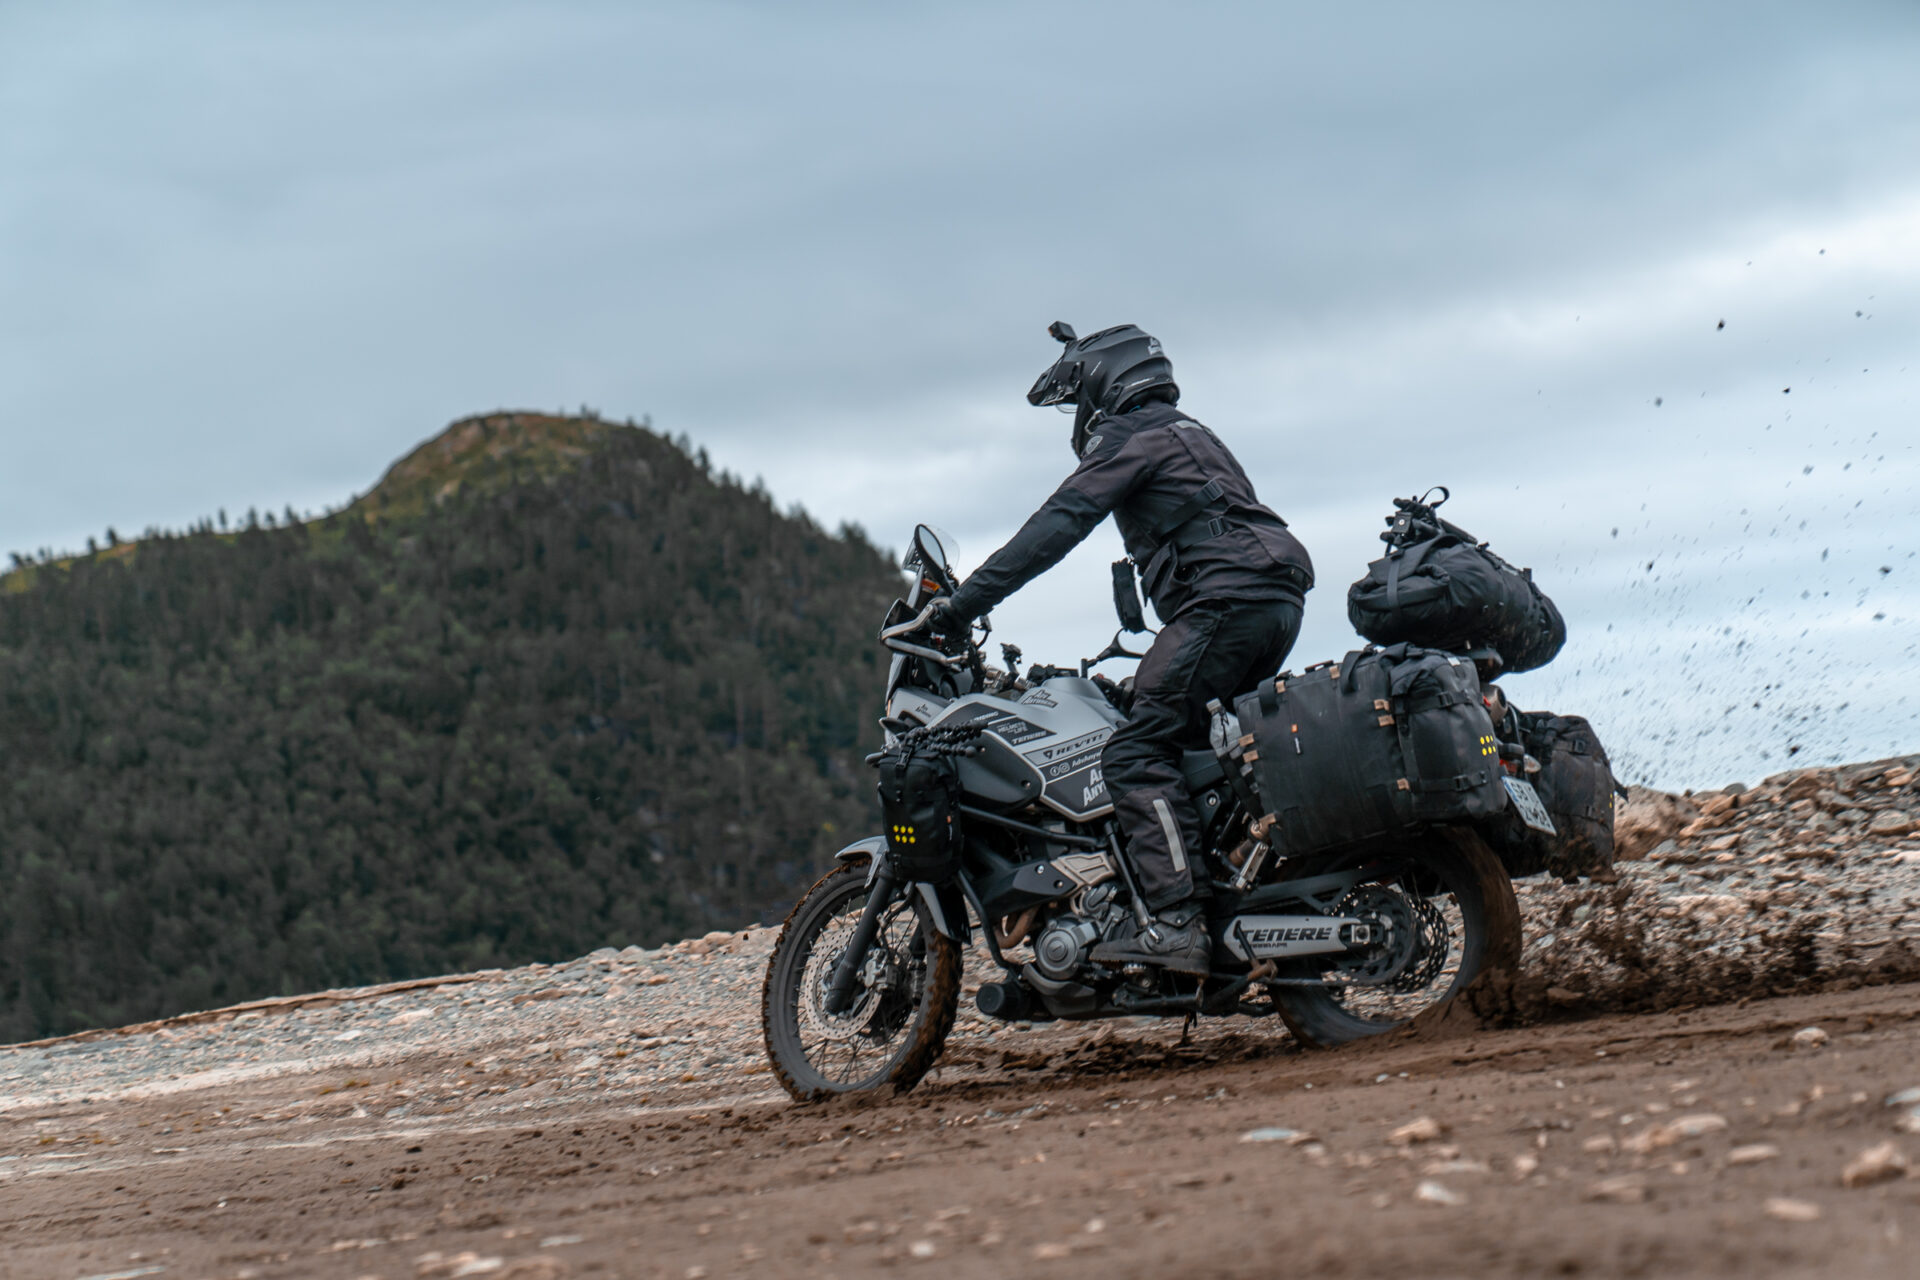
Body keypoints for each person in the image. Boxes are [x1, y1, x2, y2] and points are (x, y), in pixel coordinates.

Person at [932, 322, 1313, 975]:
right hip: (1276, 600)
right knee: (1195, 749)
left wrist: (963, 605)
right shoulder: (1193, 432)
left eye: (1079, 396)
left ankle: (1176, 920)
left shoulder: (1129, 437)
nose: (1079, 414)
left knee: (1136, 752)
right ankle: (1231, 894)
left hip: (1224, 603)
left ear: (1107, 383)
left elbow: (1056, 525)